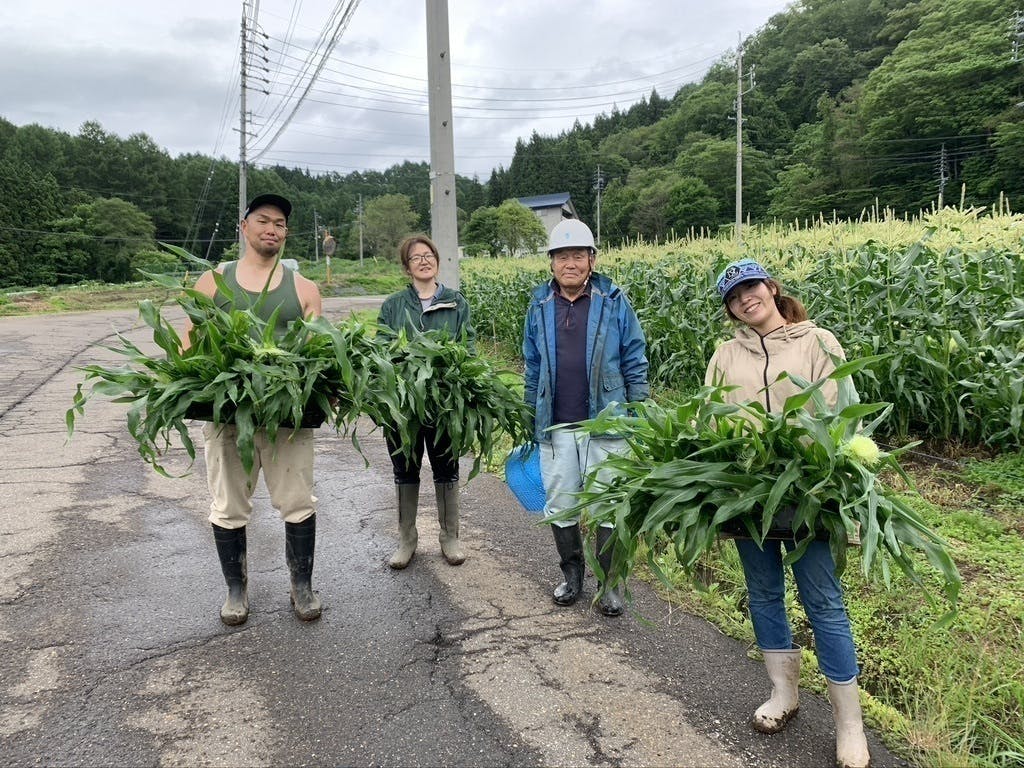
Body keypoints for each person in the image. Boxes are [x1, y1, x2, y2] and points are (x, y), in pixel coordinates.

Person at [704, 258, 870, 768]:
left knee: (824, 602)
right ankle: (784, 695)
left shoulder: (817, 343)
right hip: (749, 495)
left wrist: (843, 494)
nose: (743, 298)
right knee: (763, 591)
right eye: (733, 296)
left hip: (808, 492)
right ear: (730, 310)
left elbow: (842, 418)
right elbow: (710, 419)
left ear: (771, 288)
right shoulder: (725, 355)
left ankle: (850, 725)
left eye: (750, 287)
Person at [183, 193, 325, 626]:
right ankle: (235, 590)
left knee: (298, 502)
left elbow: (319, 350)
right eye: (263, 220)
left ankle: (301, 586)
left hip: (287, 421)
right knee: (228, 505)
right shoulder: (212, 281)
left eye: (280, 224)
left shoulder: (303, 288)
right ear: (243, 227)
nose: (272, 229)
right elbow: (189, 344)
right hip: (228, 419)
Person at [522, 219, 649, 617]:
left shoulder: (613, 300)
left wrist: (639, 414)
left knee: (609, 504)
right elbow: (532, 364)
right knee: (561, 504)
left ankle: (610, 583)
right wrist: (530, 418)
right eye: (562, 256)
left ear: (592, 260)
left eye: (578, 254)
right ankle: (573, 576)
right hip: (556, 425)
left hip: (608, 422)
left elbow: (634, 357)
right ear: (552, 263)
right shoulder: (539, 304)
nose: (570, 263)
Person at [377, 234, 475, 569]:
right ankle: (407, 539)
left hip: (445, 401)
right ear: (407, 267)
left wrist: (452, 369)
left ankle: (450, 537)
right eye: (415, 256)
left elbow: (468, 347)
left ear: (437, 260)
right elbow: (382, 348)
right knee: (405, 468)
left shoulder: (457, 302)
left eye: (428, 254)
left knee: (447, 467)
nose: (423, 260)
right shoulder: (393, 306)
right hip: (403, 404)